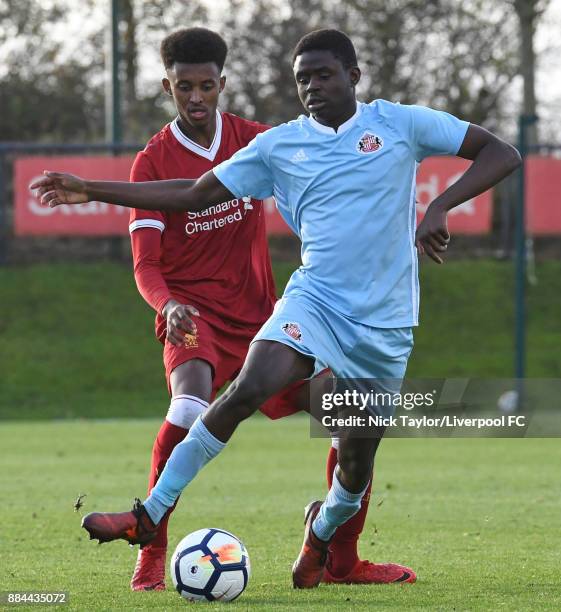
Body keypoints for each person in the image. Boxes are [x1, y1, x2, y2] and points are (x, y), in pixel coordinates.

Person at [32, 28, 520, 589]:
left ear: (354, 77)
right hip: (310, 304)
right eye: (302, 79)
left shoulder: (399, 123)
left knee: (355, 466)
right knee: (244, 389)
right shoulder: (278, 146)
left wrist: (441, 204)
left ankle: (323, 539)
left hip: (386, 326)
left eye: (324, 74)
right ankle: (149, 517)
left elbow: (500, 152)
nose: (312, 86)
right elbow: (193, 194)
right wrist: (91, 189)